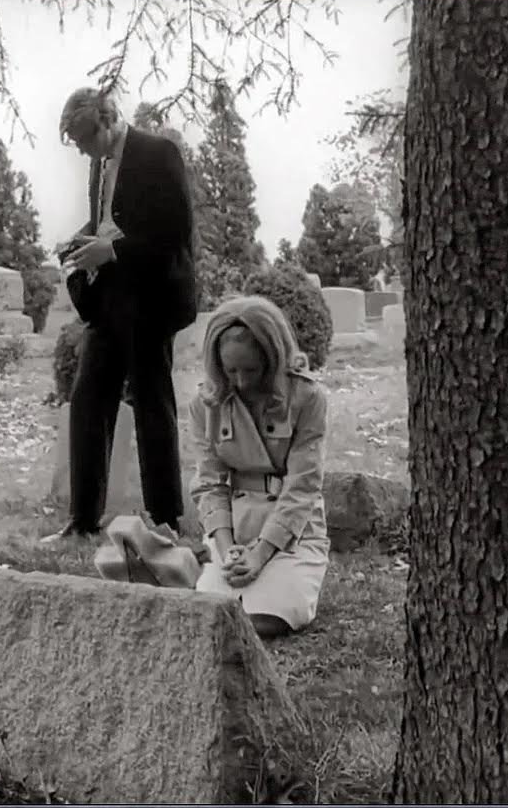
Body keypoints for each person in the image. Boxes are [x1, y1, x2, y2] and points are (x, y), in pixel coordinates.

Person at [43, 86, 198, 543]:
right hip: (110, 301)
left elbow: (175, 234)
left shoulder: (159, 154)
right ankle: (83, 520)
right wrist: (81, 242)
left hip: (152, 298)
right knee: (88, 400)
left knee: (152, 404)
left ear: (107, 121)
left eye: (84, 139)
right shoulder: (100, 165)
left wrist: (109, 250)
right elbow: (109, 222)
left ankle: (167, 518)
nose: (81, 150)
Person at [187, 295, 330, 638]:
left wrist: (262, 552)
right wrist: (227, 550)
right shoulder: (206, 403)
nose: (241, 381)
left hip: (292, 530)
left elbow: (303, 484)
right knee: (215, 616)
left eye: (251, 370)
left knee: (270, 617)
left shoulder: (306, 398)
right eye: (230, 370)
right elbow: (210, 482)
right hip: (233, 527)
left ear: (273, 357)